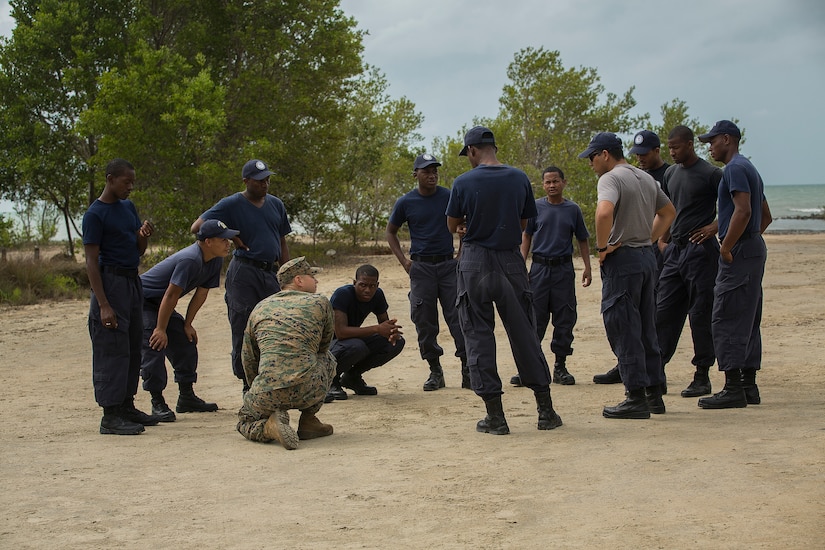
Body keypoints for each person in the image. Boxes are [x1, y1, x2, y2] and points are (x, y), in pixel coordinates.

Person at [446, 125, 562, 435]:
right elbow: (525, 222)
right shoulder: (520, 177)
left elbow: (451, 224)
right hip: (511, 260)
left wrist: (468, 227)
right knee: (524, 332)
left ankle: (496, 417)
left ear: (472, 151)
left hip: (474, 261)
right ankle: (545, 411)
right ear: (494, 147)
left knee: (478, 335)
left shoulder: (463, 182)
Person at [579, 132, 675, 419]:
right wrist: (647, 237)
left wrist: (602, 247)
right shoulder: (646, 177)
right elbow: (669, 212)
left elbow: (603, 213)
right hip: (646, 258)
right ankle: (654, 394)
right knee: (647, 327)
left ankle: (635, 396)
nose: (591, 164)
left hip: (624, 261)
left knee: (624, 326)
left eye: (592, 157)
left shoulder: (610, 178)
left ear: (605, 154)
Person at [191, 159, 291, 393]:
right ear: (246, 181)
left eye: (267, 179)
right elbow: (198, 227)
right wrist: (233, 236)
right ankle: (247, 381)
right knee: (243, 325)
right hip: (244, 272)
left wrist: (286, 273)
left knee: (274, 325)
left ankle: (271, 378)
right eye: (259, 181)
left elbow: (282, 240)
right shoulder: (232, 203)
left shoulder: (276, 204)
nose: (265, 184)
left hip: (270, 273)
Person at [697, 120, 772, 409]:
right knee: (749, 314)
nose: (710, 147)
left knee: (726, 315)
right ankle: (748, 385)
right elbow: (765, 215)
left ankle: (733, 388)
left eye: (712, 141)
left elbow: (744, 210)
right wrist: (751, 239)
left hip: (740, 250)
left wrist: (727, 246)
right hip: (752, 247)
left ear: (726, 139)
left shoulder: (735, 169)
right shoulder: (750, 168)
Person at [83, 158, 158, 435]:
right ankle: (110, 415)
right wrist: (103, 304)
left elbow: (138, 250)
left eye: (132, 182)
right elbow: (91, 261)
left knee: (131, 346)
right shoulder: (95, 214)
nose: (130, 187)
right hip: (110, 283)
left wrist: (143, 235)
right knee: (111, 348)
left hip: (131, 282)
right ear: (110, 179)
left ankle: (127, 405)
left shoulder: (128, 208)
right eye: (126, 182)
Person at [139, 219, 239, 422]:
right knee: (155, 344)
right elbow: (171, 295)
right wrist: (160, 328)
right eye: (224, 239)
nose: (229, 243)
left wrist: (187, 324)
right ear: (208, 241)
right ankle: (157, 401)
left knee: (186, 341)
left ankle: (186, 397)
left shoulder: (215, 259)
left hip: (162, 303)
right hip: (142, 302)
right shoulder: (190, 259)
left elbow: (201, 294)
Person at [386, 153, 469, 392]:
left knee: (458, 317)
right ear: (416, 174)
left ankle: (467, 369)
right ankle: (435, 371)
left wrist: (460, 255)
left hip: (448, 267)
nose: (432, 175)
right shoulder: (406, 202)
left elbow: (463, 223)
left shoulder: (449, 196)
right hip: (420, 268)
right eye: (426, 171)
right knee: (424, 320)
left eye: (434, 171)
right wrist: (404, 262)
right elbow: (391, 232)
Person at [236, 257, 335, 449]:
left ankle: (268, 427)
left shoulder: (260, 307)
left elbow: (248, 357)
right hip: (310, 387)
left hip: (268, 390)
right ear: (298, 280)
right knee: (328, 358)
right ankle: (308, 419)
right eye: (311, 276)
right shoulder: (320, 302)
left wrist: (258, 388)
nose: (316, 281)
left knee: (244, 422)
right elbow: (324, 346)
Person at [656, 125, 723, 399]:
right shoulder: (670, 173)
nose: (672, 152)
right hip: (675, 251)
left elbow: (736, 206)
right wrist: (663, 239)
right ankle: (656, 372)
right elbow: (669, 209)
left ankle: (702, 375)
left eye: (676, 147)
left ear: (690, 145)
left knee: (700, 313)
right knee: (664, 312)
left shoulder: (711, 174)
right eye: (669, 147)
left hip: (701, 252)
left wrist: (714, 227)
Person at [510, 166, 592, 388]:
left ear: (564, 183)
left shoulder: (572, 209)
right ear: (543, 185)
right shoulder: (535, 208)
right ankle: (530, 368)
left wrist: (587, 267)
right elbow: (526, 237)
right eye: (548, 182)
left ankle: (560, 366)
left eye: (555, 181)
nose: (552, 185)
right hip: (539, 270)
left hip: (563, 270)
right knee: (534, 319)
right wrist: (520, 265)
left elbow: (582, 239)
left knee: (565, 318)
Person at [325, 265, 405, 400]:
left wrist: (391, 333)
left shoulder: (378, 295)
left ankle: (352, 376)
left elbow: (385, 324)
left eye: (372, 286)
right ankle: (331, 380)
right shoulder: (342, 294)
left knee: (395, 343)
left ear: (377, 285)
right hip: (328, 346)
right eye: (362, 285)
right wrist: (376, 329)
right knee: (356, 346)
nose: (367, 290)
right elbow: (341, 333)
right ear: (354, 283)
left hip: (348, 342)